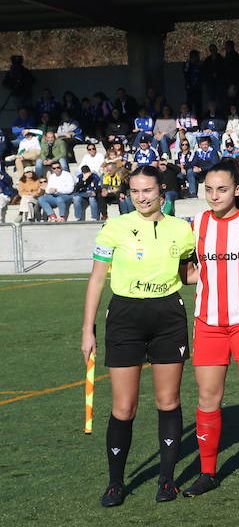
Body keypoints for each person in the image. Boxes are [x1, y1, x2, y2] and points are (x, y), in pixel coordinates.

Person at [82, 165, 196, 507]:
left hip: (168, 317)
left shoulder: (182, 229)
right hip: (125, 318)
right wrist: (87, 329)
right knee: (123, 406)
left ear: (161, 190)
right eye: (135, 191)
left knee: (168, 401)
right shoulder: (114, 227)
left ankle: (166, 480)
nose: (142, 197)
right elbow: (97, 280)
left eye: (148, 190)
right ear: (128, 194)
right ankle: (116, 483)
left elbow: (188, 274)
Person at [180, 161, 239, 500]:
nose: (214, 195)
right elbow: (188, 272)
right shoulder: (196, 224)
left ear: (237, 190)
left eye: (221, 189)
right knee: (208, 399)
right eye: (208, 189)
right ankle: (208, 473)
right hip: (208, 324)